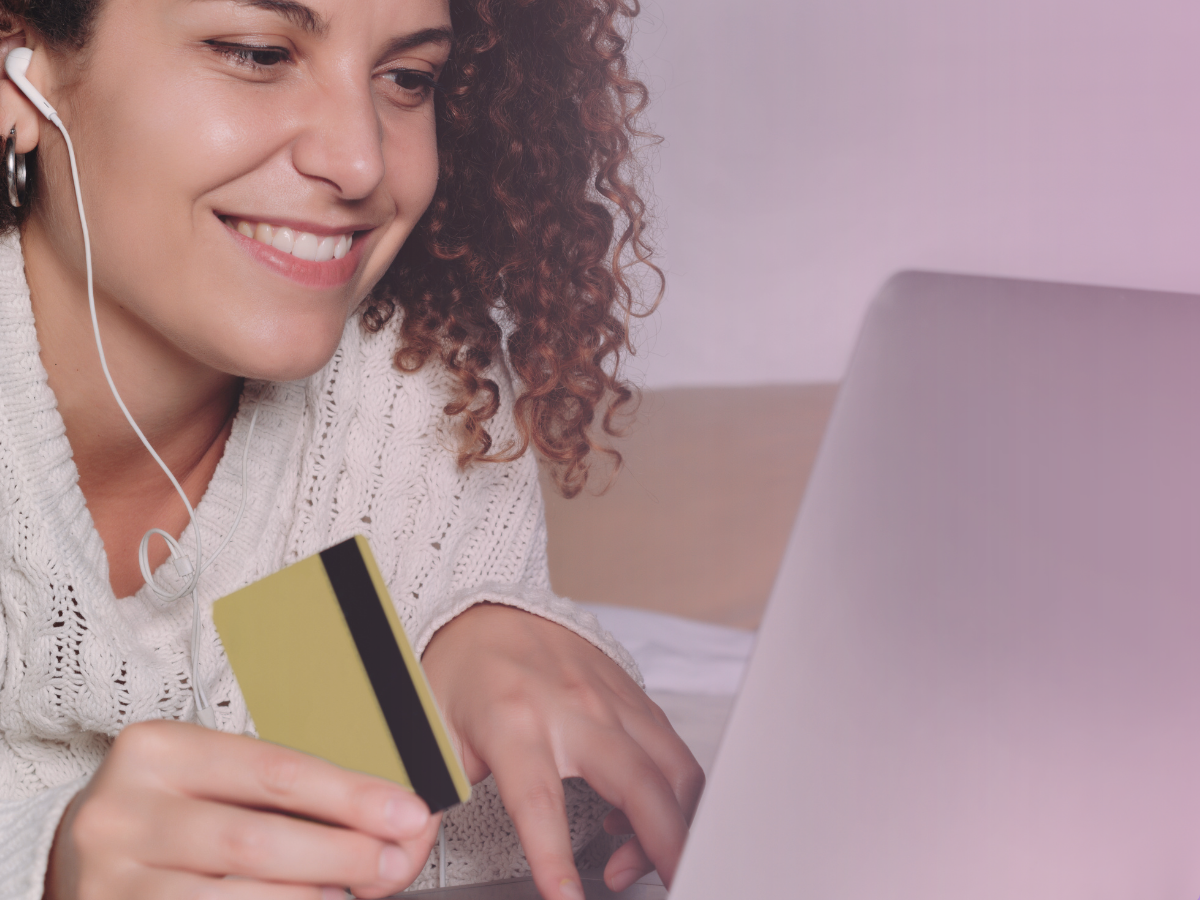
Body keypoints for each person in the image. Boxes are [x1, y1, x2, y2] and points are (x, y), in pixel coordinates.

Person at [0, 0, 704, 897]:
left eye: (407, 79)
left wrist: (465, 665)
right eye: (259, 54)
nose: (361, 160)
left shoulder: (405, 389)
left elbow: (380, 853)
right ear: (20, 67)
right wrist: (44, 866)